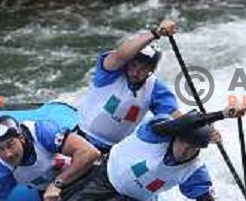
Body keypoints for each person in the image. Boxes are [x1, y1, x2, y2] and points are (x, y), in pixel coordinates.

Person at [57, 103, 246, 201]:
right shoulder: (156, 132)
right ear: (176, 136)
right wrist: (222, 114)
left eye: (192, 147)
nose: (184, 150)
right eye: (183, 142)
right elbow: (181, 124)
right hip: (100, 178)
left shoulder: (195, 172)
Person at [76, 18, 182, 154]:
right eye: (134, 65)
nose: (136, 72)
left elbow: (174, 116)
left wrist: (199, 128)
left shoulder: (155, 89)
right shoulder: (111, 70)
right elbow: (121, 55)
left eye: (143, 68)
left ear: (151, 70)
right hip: (80, 138)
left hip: (111, 152)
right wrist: (157, 33)